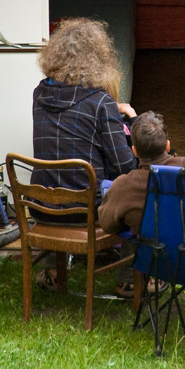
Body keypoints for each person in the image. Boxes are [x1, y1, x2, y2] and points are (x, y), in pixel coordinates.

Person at [30, 18, 138, 289]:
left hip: (41, 209)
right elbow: (126, 166)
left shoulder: (39, 95)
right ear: (98, 61)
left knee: (59, 174)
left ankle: (51, 273)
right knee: (140, 196)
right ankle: (128, 282)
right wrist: (126, 118)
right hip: (87, 213)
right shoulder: (101, 103)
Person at [98, 111, 185, 299]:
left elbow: (107, 224)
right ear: (168, 145)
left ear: (134, 151)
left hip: (155, 264)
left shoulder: (125, 185)